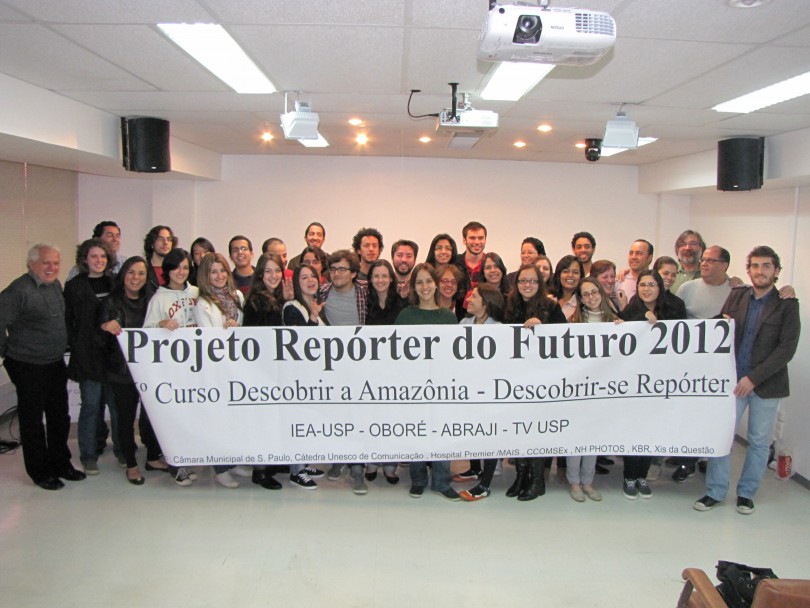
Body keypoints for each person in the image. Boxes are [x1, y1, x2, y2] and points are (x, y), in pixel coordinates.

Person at [694, 246, 800, 515]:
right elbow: (721, 328)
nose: (760, 271)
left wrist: (753, 379)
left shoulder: (787, 304)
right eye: (755, 266)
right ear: (748, 269)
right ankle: (715, 491)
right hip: (733, 382)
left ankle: (746, 494)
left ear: (776, 271)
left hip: (767, 385)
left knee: (759, 442)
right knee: (722, 437)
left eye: (766, 266)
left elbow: (786, 350)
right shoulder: (737, 295)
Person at [0, 244, 86, 490]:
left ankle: (61, 464)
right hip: (28, 365)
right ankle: (40, 472)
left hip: (54, 362)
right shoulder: (19, 290)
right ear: (32, 264)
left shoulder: (55, 285)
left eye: (56, 263)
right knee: (33, 421)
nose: (52, 267)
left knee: (59, 416)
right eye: (46, 262)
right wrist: (7, 353)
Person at [619, 269, 686, 499]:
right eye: (642, 285)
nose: (646, 289)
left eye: (651, 285)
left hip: (660, 381)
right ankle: (629, 477)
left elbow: (687, 335)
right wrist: (640, 318)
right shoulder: (631, 310)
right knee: (632, 430)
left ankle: (642, 476)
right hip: (633, 382)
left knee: (650, 430)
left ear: (660, 287)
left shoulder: (674, 309)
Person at [99, 256, 166, 486]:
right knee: (125, 419)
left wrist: (162, 325)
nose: (135, 278)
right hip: (121, 372)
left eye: (141, 273)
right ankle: (131, 464)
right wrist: (105, 327)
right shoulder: (111, 302)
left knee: (152, 417)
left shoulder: (152, 301)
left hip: (149, 371)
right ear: (123, 275)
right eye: (131, 272)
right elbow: (98, 340)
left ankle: (153, 458)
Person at [396, 263, 460, 501]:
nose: (425, 287)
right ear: (414, 287)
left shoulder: (448, 317)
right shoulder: (406, 316)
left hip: (442, 386)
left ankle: (442, 482)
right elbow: (395, 352)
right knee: (417, 432)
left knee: (442, 434)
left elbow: (455, 355)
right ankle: (418, 480)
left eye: (429, 281)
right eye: (419, 282)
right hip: (413, 386)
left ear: (436, 284)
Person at [504, 263, 567, 501]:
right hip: (515, 379)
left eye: (532, 281)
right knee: (519, 429)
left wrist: (544, 328)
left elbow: (565, 338)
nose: (527, 285)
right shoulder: (509, 305)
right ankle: (521, 476)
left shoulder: (551, 306)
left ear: (540, 284)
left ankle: (537, 480)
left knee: (537, 430)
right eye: (522, 281)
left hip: (542, 379)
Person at [64, 238, 122, 474]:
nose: (99, 260)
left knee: (117, 407)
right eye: (94, 256)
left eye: (103, 256)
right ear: (84, 260)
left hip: (113, 355)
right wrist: (76, 345)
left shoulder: (116, 283)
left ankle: (122, 451)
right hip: (88, 356)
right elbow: (69, 320)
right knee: (90, 406)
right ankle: (88, 455)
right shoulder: (74, 286)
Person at [194, 252, 251, 488]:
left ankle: (233, 460)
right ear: (205, 276)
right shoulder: (203, 304)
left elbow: (246, 328)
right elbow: (209, 340)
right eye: (213, 272)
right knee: (218, 420)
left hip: (237, 367)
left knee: (234, 420)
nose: (219, 276)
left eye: (222, 271)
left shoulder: (237, 296)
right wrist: (226, 330)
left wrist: (237, 326)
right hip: (216, 370)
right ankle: (220, 468)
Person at [143, 248, 199, 486]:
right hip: (171, 367)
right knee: (173, 417)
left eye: (185, 267)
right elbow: (145, 333)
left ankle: (187, 459)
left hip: (196, 366)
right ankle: (175, 464)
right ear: (167, 270)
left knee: (189, 416)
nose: (181, 272)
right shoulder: (159, 298)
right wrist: (160, 324)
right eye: (176, 267)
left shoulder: (196, 292)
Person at [564, 277, 619, 503]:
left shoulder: (614, 320)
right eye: (585, 294)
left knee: (593, 437)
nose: (591, 297)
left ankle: (588, 481)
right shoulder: (573, 321)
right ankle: (574, 482)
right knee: (575, 437)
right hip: (577, 388)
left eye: (594, 292)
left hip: (602, 389)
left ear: (601, 293)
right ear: (580, 298)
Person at [457, 284, 506, 501]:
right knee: (473, 430)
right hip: (468, 388)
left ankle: (485, 484)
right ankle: (475, 468)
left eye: (474, 296)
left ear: (486, 302)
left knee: (490, 435)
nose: (469, 299)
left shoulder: (499, 329)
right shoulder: (464, 323)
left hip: (489, 390)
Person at [241, 253, 286, 490]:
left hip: (276, 369)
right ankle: (260, 472)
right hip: (262, 371)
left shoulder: (277, 297)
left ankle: (270, 464)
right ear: (259, 274)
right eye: (268, 271)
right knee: (263, 422)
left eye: (277, 270)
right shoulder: (256, 301)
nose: (273, 275)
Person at [282, 263, 327, 490]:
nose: (310, 280)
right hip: (298, 378)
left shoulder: (313, 305)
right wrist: (313, 317)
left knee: (309, 422)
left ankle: (304, 464)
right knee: (299, 423)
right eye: (304, 277)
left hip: (314, 377)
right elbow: (301, 344)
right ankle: (296, 472)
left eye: (313, 276)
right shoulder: (292, 308)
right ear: (296, 283)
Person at [366, 259, 406, 327]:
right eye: (376, 276)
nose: (380, 280)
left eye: (384, 276)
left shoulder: (401, 302)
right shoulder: (365, 303)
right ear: (371, 279)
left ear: (391, 278)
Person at [454, 221, 487, 295]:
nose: (477, 242)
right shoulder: (455, 264)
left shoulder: (492, 265)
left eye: (480, 238)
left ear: (485, 240)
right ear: (464, 240)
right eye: (472, 238)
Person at [670, 230, 706, 295]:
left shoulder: (710, 273)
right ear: (677, 249)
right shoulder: (669, 272)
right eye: (683, 244)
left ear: (702, 248)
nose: (687, 248)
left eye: (693, 243)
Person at [551, 254, 584, 320]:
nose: (570, 275)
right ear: (558, 274)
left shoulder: (584, 302)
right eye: (566, 271)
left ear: (581, 276)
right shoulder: (549, 300)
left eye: (575, 272)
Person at [143, 225, 175, 291]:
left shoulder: (176, 269)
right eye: (160, 239)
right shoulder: (143, 269)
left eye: (169, 239)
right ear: (151, 244)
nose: (165, 243)